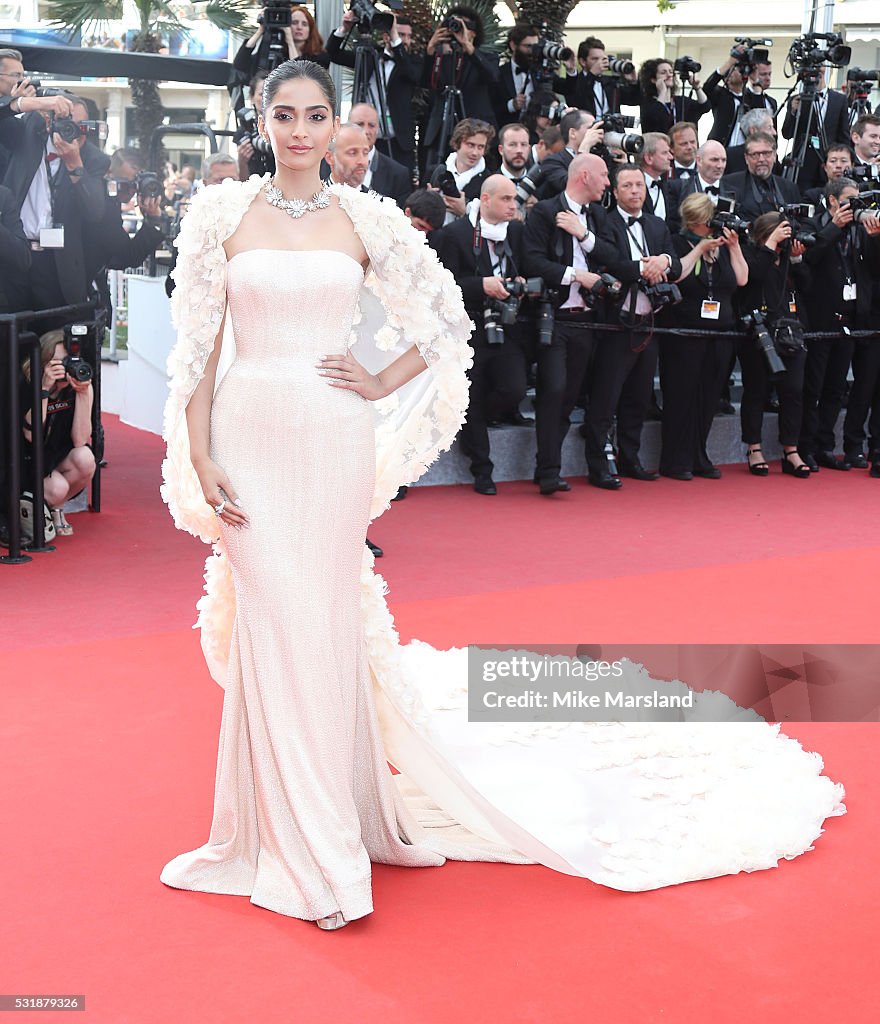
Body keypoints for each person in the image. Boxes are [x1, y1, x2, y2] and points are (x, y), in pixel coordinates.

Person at [158, 58, 846, 931]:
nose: (299, 131)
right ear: (262, 121)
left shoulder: (366, 219)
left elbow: (445, 324)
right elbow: (198, 352)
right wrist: (201, 452)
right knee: (274, 622)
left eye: (316, 115)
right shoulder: (220, 213)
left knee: (320, 623)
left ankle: (327, 828)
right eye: (284, 114)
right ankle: (282, 832)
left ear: (339, 127)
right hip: (250, 444)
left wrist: (375, 380)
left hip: (330, 440)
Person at [523, 153, 621, 493]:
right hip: (555, 319)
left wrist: (583, 234)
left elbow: (613, 255)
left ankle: (546, 466)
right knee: (553, 390)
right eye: (604, 175)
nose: (609, 183)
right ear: (583, 175)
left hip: (588, 321)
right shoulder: (545, 212)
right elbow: (531, 260)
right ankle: (549, 471)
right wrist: (575, 275)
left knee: (569, 396)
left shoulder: (596, 216)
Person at [586, 164, 685, 487]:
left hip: (650, 322)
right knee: (606, 395)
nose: (634, 191)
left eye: (639, 185)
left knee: (639, 396)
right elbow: (608, 261)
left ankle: (631, 458)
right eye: (627, 186)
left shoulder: (657, 225)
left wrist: (664, 263)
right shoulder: (606, 222)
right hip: (617, 324)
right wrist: (643, 268)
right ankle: (599, 464)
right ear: (614, 192)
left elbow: (675, 262)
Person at [434, 174, 529, 494]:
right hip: (470, 325)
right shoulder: (455, 234)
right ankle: (482, 468)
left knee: (514, 388)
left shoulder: (516, 231)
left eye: (514, 199)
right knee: (471, 399)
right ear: (485, 200)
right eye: (506, 199)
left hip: (507, 324)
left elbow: (528, 267)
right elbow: (443, 286)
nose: (512, 206)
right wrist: (481, 285)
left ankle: (475, 425)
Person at [660, 193, 748, 480]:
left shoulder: (721, 246)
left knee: (708, 397)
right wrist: (699, 249)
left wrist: (734, 248)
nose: (714, 225)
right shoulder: (676, 242)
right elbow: (676, 274)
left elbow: (742, 279)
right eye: (710, 220)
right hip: (685, 334)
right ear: (697, 220)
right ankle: (675, 459)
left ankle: (699, 455)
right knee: (681, 396)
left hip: (720, 332)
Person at [738, 212, 811, 477]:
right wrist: (770, 246)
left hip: (791, 332)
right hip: (759, 332)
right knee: (756, 390)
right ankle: (754, 447)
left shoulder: (787, 259)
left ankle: (791, 449)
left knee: (793, 391)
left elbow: (808, 287)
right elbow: (752, 277)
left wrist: (797, 259)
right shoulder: (751, 253)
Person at [20, 328, 96, 536]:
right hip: (26, 464)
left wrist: (82, 394)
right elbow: (31, 437)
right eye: (60, 363)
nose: (68, 368)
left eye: (71, 360)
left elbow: (80, 440)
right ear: (44, 363)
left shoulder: (77, 386)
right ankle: (30, 508)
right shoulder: (27, 384)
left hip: (54, 458)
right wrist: (44, 389)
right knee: (58, 487)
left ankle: (55, 509)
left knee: (86, 459)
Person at [325, 11, 422, 172]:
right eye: (400, 34)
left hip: (398, 140)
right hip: (366, 138)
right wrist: (344, 28)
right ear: (385, 36)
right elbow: (333, 54)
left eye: (407, 36)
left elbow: (412, 75)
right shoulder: (369, 55)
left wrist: (395, 37)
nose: (404, 39)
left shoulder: (413, 62)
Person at [781, 67, 850, 190]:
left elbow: (843, 135)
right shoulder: (798, 99)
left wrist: (845, 161)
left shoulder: (839, 100)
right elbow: (787, 133)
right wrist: (792, 111)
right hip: (804, 164)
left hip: (830, 163)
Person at [721, 132, 802, 222]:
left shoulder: (790, 188)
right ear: (746, 158)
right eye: (755, 154)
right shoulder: (729, 184)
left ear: (774, 155)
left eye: (766, 153)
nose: (761, 159)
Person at [232, 4, 329, 77]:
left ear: (310, 29)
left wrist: (290, 41)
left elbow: (299, 74)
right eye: (294, 23)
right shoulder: (277, 51)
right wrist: (261, 30)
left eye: (304, 24)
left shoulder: (319, 57)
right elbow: (240, 64)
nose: (299, 27)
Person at [348, 103, 412, 206]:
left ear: (377, 129)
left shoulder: (398, 174)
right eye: (359, 124)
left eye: (371, 125)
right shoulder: (322, 165)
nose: (366, 131)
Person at [667, 140, 730, 233]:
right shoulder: (677, 188)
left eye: (723, 160)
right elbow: (674, 225)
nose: (720, 165)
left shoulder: (734, 189)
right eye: (714, 160)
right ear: (699, 160)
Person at [637, 58, 708, 135]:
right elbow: (655, 117)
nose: (669, 75)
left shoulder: (680, 101)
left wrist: (697, 87)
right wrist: (662, 92)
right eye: (663, 72)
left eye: (671, 72)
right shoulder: (648, 103)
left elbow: (705, 106)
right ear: (653, 79)